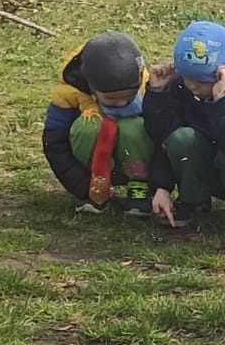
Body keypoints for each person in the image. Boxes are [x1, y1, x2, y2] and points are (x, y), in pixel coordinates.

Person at [144, 21, 225, 227]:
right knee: (181, 138)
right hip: (201, 160)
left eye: (201, 81)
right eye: (187, 78)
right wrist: (157, 94)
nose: (192, 86)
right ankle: (193, 202)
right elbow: (161, 134)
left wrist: (219, 101)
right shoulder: (181, 87)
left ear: (222, 73)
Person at [43, 32, 153, 215]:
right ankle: (95, 188)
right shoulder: (69, 94)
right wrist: (80, 184)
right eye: (111, 99)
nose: (122, 103)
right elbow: (54, 143)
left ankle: (139, 187)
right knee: (89, 127)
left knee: (135, 128)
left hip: (133, 161)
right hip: (91, 168)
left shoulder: (147, 86)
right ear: (92, 88)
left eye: (129, 97)